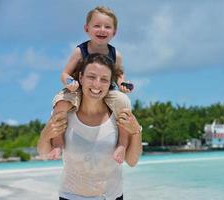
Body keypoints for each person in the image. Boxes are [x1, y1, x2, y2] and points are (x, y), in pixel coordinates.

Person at [38, 54, 142, 200]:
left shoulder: (118, 111)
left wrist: (137, 131)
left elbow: (132, 161)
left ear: (109, 83)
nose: (97, 85)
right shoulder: (65, 112)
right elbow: (43, 154)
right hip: (71, 196)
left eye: (104, 79)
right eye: (91, 77)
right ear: (80, 78)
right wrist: (44, 136)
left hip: (112, 197)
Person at [50, 6, 134, 163]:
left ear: (114, 32)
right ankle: (57, 141)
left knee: (124, 104)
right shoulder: (79, 51)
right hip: (78, 89)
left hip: (105, 91)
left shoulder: (116, 55)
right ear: (87, 28)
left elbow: (119, 76)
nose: (102, 30)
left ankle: (122, 144)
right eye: (97, 25)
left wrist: (123, 84)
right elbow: (64, 73)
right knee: (60, 104)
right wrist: (70, 83)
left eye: (107, 27)